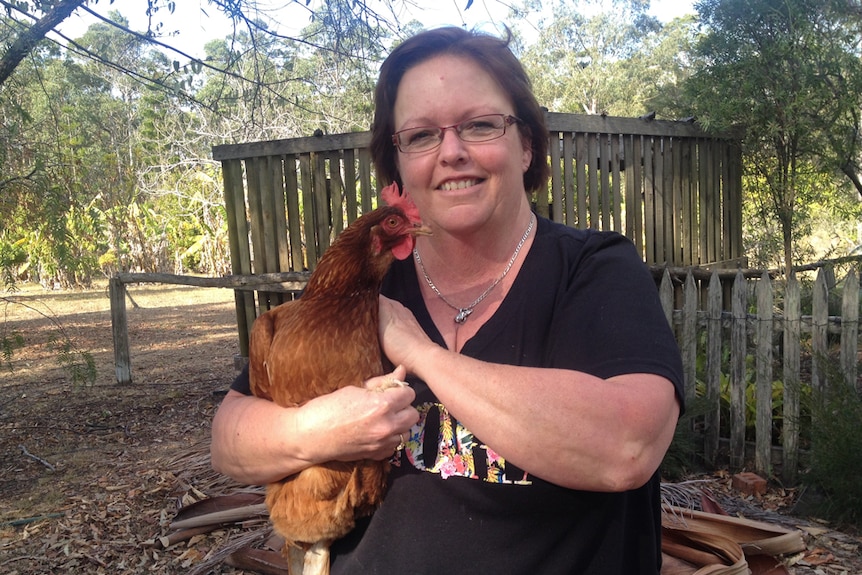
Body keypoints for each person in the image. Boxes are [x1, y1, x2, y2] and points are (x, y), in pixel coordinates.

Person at [211, 26, 684, 574]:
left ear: (526, 144)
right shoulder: (366, 290)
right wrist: (315, 430)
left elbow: (627, 447)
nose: (452, 153)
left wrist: (422, 353)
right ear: (399, 166)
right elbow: (229, 440)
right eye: (420, 136)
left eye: (480, 125)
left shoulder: (594, 269)